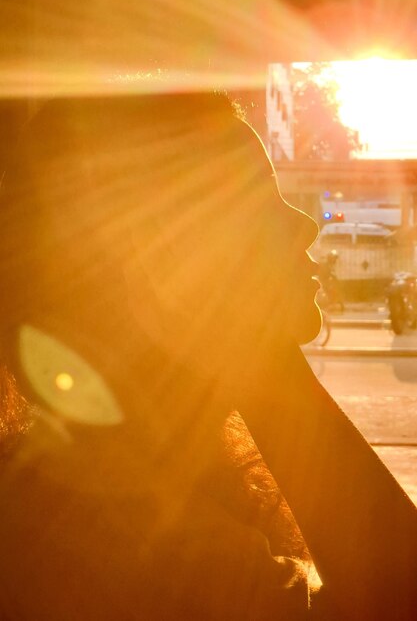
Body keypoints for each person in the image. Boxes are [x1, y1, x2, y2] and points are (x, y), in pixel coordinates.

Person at [0, 91, 415, 621]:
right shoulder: (111, 533)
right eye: (256, 202)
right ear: (155, 258)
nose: (305, 226)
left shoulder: (137, 480)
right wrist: (255, 352)